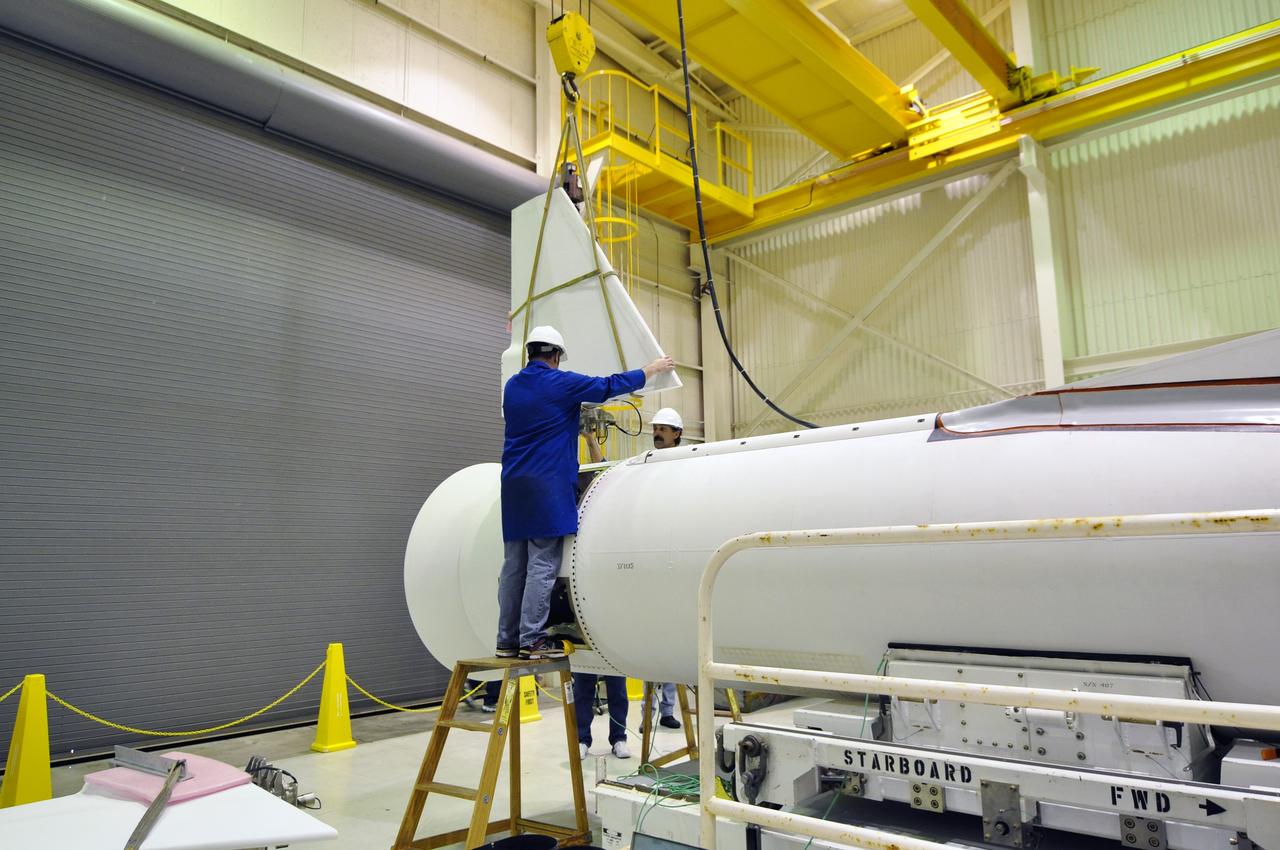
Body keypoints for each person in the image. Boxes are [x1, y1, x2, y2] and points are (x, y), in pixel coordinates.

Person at [498, 325, 675, 660]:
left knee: (513, 566)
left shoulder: (512, 386)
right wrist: (650, 370)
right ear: (555, 356)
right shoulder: (560, 383)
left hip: (513, 484)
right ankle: (532, 640)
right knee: (542, 562)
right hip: (546, 484)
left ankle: (506, 640)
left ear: (530, 352)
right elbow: (607, 386)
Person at [647, 407, 685, 729]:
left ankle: (668, 710)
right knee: (650, 646)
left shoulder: (688, 461)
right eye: (656, 427)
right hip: (653, 559)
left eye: (664, 428)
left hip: (677, 558)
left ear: (677, 433)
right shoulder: (647, 462)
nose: (657, 433)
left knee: (673, 641)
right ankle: (649, 713)